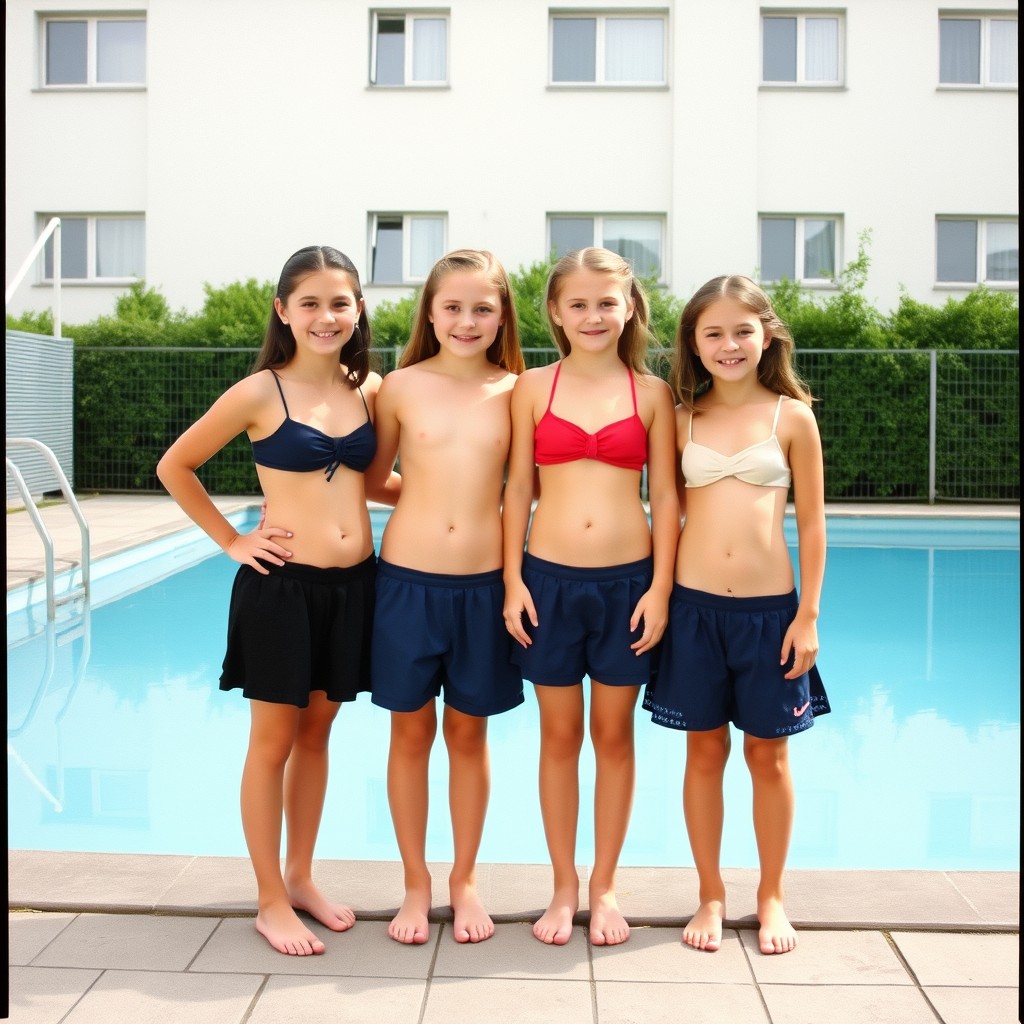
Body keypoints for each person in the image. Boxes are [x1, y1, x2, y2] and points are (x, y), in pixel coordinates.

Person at [157, 245, 397, 956]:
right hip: (282, 590)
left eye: (341, 302)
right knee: (272, 745)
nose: (327, 317)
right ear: (283, 310)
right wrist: (232, 541)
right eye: (312, 303)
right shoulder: (261, 392)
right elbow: (176, 465)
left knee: (318, 738)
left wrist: (470, 507)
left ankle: (300, 877)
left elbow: (380, 485)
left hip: (355, 587)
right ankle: (268, 899)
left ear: (358, 310)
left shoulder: (371, 389)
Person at [642, 274, 831, 956]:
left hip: (769, 614)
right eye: (712, 332)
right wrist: (658, 594)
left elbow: (812, 525)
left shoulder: (790, 416)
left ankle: (771, 893)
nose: (728, 344)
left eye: (741, 330)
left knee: (769, 757)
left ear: (767, 334)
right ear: (693, 342)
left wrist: (807, 614)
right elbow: (664, 507)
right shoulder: (680, 413)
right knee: (703, 753)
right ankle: (711, 893)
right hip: (694, 611)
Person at [502, 247, 678, 946]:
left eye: (607, 302)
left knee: (613, 736)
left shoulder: (653, 393)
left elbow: (666, 496)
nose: (593, 315)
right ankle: (562, 885)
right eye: (578, 303)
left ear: (630, 305)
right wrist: (513, 578)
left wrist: (661, 588)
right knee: (558, 736)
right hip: (547, 580)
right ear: (555, 311)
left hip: (628, 584)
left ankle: (604, 886)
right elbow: (517, 486)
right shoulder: (531, 387)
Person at [364, 249, 526, 946]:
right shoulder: (398, 386)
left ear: (502, 316)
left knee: (469, 733)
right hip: (407, 583)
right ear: (430, 311)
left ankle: (463, 878)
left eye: (482, 308)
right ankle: (415, 881)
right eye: (453, 307)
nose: (466, 320)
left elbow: (527, 489)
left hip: (485, 586)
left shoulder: (518, 390)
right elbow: (372, 479)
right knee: (409, 733)